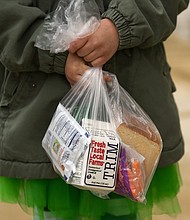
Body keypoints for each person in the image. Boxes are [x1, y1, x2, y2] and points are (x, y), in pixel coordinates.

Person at [0, 0, 189, 220]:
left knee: (122, 205)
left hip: (132, 101)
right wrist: (55, 53)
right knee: (59, 210)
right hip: (44, 108)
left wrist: (120, 26)